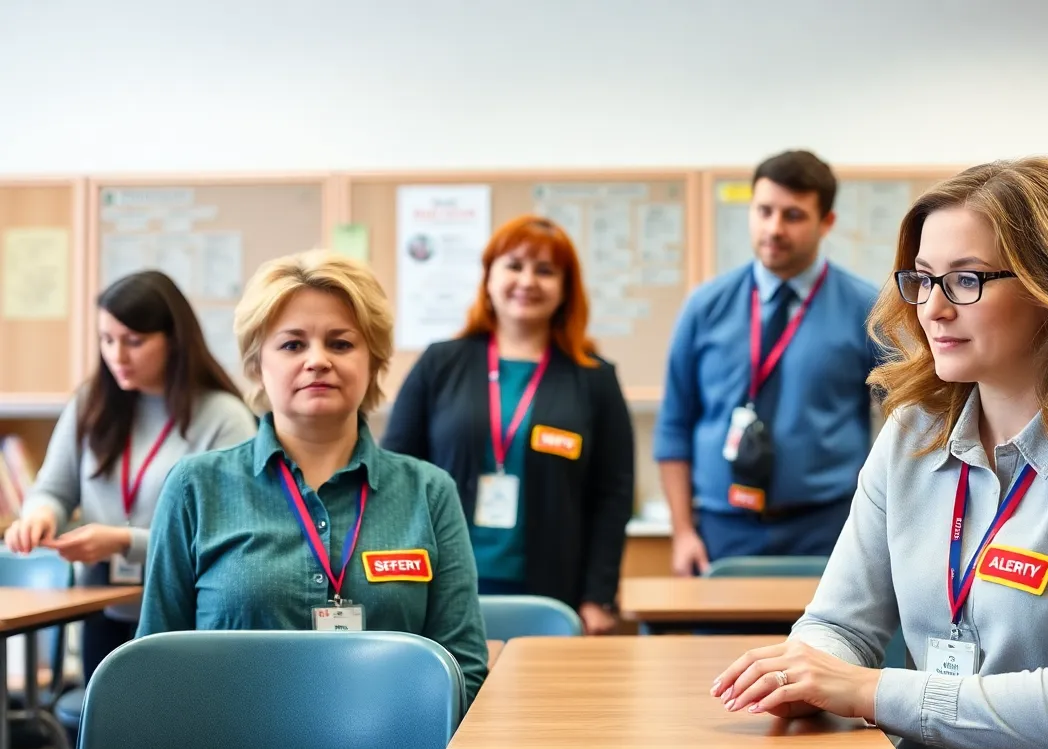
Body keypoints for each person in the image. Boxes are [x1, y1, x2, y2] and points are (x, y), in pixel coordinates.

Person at [711, 157, 1048, 749]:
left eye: (966, 280)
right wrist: (807, 670)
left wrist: (867, 691)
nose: (933, 309)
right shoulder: (912, 434)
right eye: (923, 280)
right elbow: (839, 624)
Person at [136, 250, 487, 704]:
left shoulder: (429, 491)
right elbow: (154, 662)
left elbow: (463, 665)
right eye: (292, 344)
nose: (317, 360)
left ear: (374, 361)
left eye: (341, 343)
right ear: (257, 364)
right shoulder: (194, 487)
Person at [382, 215, 634, 635]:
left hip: (552, 590)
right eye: (514, 265)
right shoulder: (441, 363)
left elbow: (613, 496)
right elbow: (396, 476)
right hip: (441, 583)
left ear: (565, 289)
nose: (528, 280)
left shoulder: (593, 378)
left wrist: (598, 595)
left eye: (546, 270)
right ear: (489, 278)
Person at [4, 271, 255, 679]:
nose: (117, 355)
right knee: (108, 732)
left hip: (185, 617)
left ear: (173, 339)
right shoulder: (91, 402)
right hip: (100, 603)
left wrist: (124, 541)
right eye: (106, 340)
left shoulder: (224, 418)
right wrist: (39, 516)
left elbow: (229, 538)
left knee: (175, 736)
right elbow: (53, 489)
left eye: (134, 341)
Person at [654, 150, 880, 574]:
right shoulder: (706, 306)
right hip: (721, 528)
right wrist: (682, 531)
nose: (774, 229)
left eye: (793, 215)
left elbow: (907, 418)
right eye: (764, 211)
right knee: (714, 643)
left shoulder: (866, 308)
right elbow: (674, 426)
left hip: (828, 526)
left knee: (826, 642)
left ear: (826, 223)